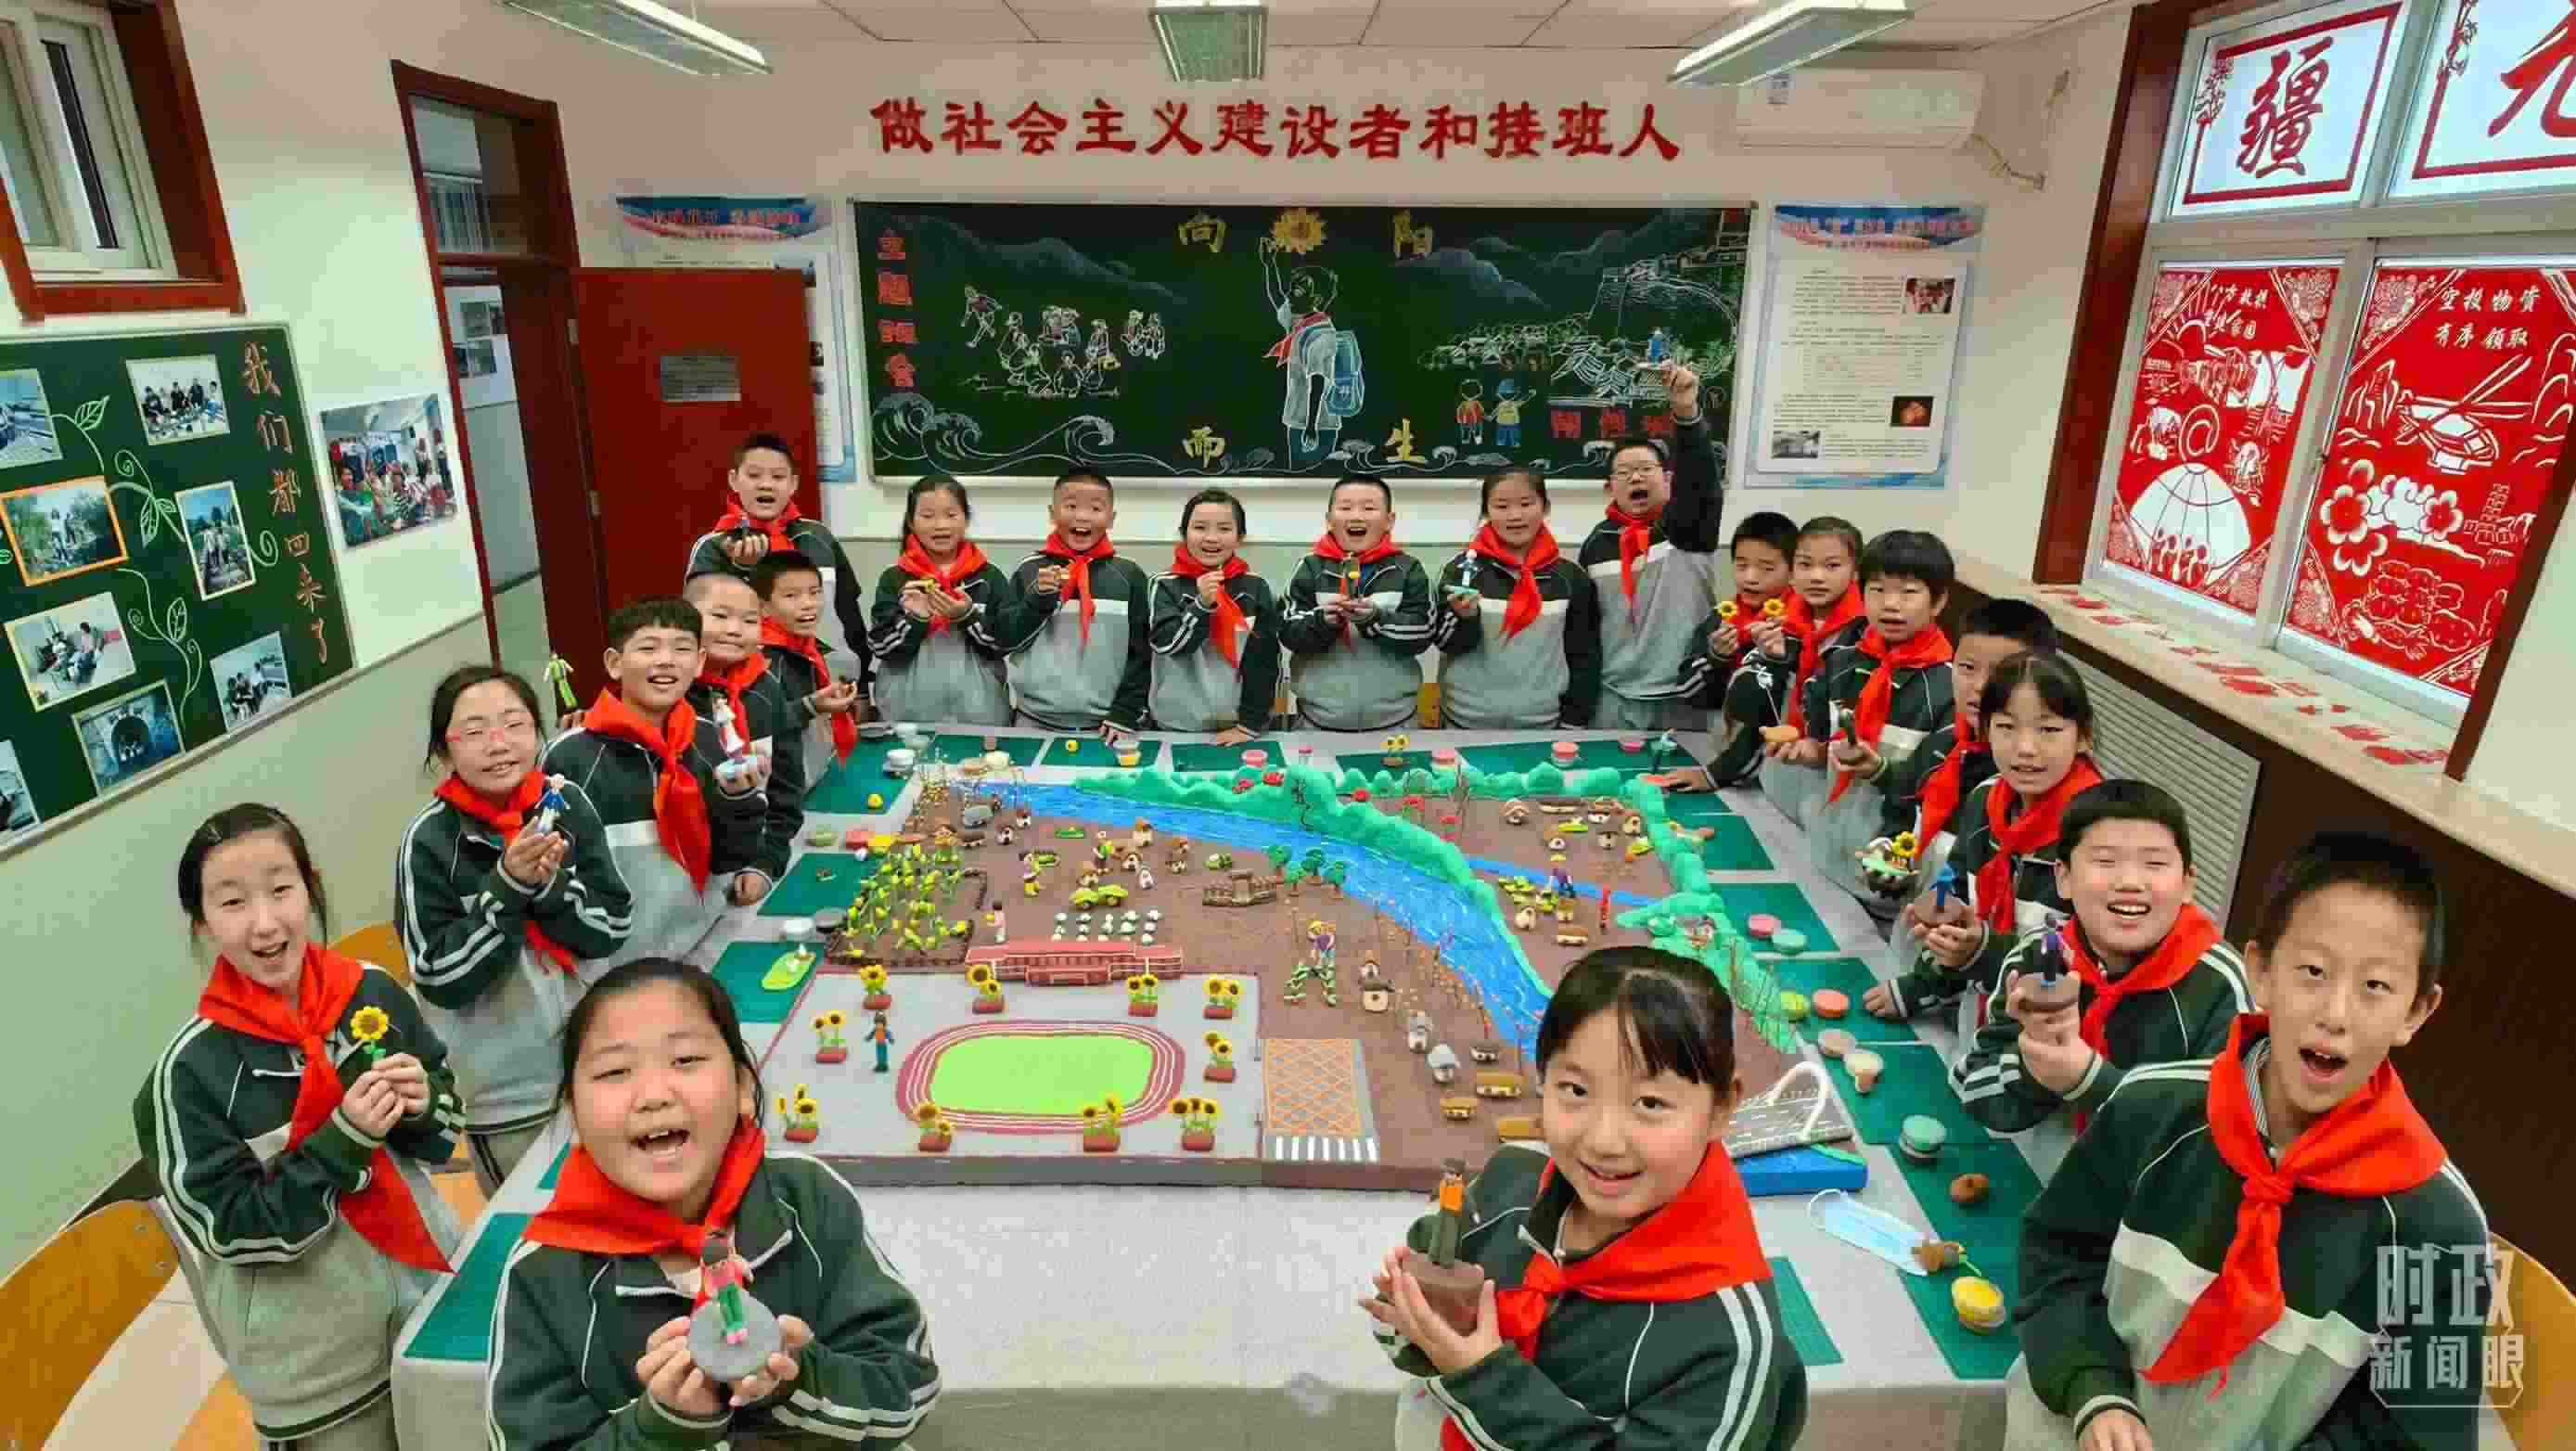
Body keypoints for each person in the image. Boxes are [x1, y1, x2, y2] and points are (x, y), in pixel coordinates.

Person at [2008, 832, 2483, 1451]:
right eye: (2312, 972)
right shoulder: (2149, 1109)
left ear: (2417, 1011)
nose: (2335, 1014)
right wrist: (2093, 1390)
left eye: (2375, 986)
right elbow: (2056, 1259)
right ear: (2260, 971)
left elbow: (2414, 1437)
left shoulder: (2442, 1226)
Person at [1363, 945, 1807, 1451]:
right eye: (1575, 1090)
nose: (1604, 1141)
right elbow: (1404, 1332)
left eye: (1650, 1102)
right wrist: (1412, 1323)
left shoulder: (1730, 1345)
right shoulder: (1507, 1186)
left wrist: (1480, 1378)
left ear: (1722, 1108)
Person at [487, 957, 942, 1448]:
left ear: (743, 1088)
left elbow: (909, 1391)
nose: (653, 1095)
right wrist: (659, 1428)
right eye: (615, 1071)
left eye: (685, 1060)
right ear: (574, 1116)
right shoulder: (543, 1273)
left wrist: (800, 1380)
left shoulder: (808, 1200)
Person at [137, 804, 463, 1450]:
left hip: (430, 1299)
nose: (265, 923)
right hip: (317, 1369)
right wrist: (342, 1141)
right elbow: (230, 1231)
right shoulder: (188, 1074)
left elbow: (445, 1125)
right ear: (202, 924)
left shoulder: (370, 992)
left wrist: (424, 1103)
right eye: (233, 903)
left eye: (281, 889)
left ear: (310, 889)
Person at [400, 665, 634, 1192]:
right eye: (474, 731)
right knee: (531, 1223)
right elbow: (437, 976)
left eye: (514, 724)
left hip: (598, 1058)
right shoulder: (429, 841)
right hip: (506, 1097)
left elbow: (613, 925)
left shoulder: (567, 803)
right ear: (444, 752)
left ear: (537, 731)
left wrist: (550, 890)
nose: (498, 744)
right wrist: (505, 887)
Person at [1945, 780, 2251, 1181]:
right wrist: (2036, 1063)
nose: (2130, 882)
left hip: (2153, 1210)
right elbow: (1973, 1088)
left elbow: (2223, 1138)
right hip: (2044, 1184)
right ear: (2063, 877)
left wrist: (2090, 1081)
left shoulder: (2222, 984)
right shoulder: (2038, 959)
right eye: (2105, 861)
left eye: (2154, 864)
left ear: (2187, 883)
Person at [1871, 651, 2100, 1034]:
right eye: (2007, 726)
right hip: (1980, 1018)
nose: (2026, 748)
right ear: (1985, 729)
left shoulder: (2099, 832)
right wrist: (1941, 938)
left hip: (2052, 1036)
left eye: (2048, 730)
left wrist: (1981, 950)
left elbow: (2082, 964)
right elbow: (1959, 894)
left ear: (2083, 736)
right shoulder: (1985, 801)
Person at [544, 597, 769, 969]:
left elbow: (728, 856)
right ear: (614, 664)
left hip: (705, 939)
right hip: (617, 964)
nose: (666, 661)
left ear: (699, 662)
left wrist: (739, 801)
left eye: (682, 649)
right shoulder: (569, 758)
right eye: (648, 648)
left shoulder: (709, 738)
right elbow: (555, 879)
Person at [1795, 530, 1956, 908]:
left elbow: (1935, 790)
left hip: (1892, 874)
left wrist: (1880, 770)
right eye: (1878, 590)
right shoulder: (1841, 661)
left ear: (1938, 601)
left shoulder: (1949, 687)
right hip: (1829, 853)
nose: (1891, 605)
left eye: (1908, 592)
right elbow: (1819, 740)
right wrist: (1806, 749)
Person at [1878, 597, 2060, 896]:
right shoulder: (1943, 741)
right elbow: (1900, 811)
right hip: (1916, 911)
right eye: (1967, 667)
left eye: (2001, 672)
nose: (1979, 686)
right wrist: (1889, 858)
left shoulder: (2031, 773)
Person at [1579, 363, 1723, 730]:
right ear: (1610, 487)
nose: (1636, 477)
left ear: (1668, 478)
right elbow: (1586, 630)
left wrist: (1686, 411)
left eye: (1646, 468)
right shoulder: (1596, 543)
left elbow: (1700, 481)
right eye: (1624, 472)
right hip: (1613, 698)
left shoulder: (1688, 527)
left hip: (1683, 697)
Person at [683, 431, 871, 706]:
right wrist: (742, 569)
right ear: (734, 480)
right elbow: (701, 626)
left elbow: (848, 614)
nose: (766, 485)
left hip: (825, 677)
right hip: (749, 686)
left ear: (793, 484)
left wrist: (861, 687)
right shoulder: (715, 546)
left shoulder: (818, 538)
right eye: (754, 475)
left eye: (778, 477)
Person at [1430, 467, 1601, 730]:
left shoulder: (1570, 578)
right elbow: (1446, 643)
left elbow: (1584, 656)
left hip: (1545, 724)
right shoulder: (1462, 571)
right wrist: (1464, 618)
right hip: (1464, 722)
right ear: (1486, 511)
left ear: (1545, 507)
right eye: (1501, 506)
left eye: (1526, 504)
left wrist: (1573, 721)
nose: (1515, 515)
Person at [988, 469, 1153, 736]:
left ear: (1111, 519)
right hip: (1033, 720)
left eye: (1095, 508)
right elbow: (1006, 640)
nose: (1082, 516)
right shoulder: (1029, 570)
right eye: (1071, 506)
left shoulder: (1129, 575)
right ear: (1052, 513)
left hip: (1110, 725)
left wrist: (1125, 712)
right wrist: (1038, 600)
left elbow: (1142, 654)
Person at [685, 571, 806, 906]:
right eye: (720, 616)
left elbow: (786, 786)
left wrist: (766, 860)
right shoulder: (668, 694)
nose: (735, 629)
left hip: (750, 866)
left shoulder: (767, 689)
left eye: (750, 620)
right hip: (682, 881)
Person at [1279, 475, 1434, 730]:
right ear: (1329, 520)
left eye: (1369, 508)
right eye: (1346, 507)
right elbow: (1287, 631)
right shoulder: (1309, 567)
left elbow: (1423, 632)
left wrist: (1374, 619)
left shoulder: (1409, 569)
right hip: (1317, 722)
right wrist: (1323, 622)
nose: (1357, 516)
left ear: (1389, 521)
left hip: (1397, 722)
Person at [1666, 510, 1801, 789]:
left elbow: (1769, 715)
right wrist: (1715, 659)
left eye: (1766, 568)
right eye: (1741, 565)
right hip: (1726, 757)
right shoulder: (1722, 617)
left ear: (1792, 571)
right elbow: (1688, 693)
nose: (1750, 578)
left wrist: (1714, 775)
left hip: (1777, 766)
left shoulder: (1795, 628)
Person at [866, 475, 1013, 727]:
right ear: (911, 522)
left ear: (966, 519)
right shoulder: (895, 578)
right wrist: (916, 619)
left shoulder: (988, 578)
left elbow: (1005, 643)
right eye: (927, 516)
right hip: (907, 720)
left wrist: (966, 616)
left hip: (981, 717)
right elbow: (881, 648)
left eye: (951, 514)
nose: (940, 525)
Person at [1752, 517, 1865, 822]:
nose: (1816, 576)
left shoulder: (1866, 633)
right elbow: (1762, 698)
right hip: (1783, 768)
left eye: (1832, 566)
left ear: (1856, 572)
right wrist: (1772, 660)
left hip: (1833, 779)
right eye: (1805, 564)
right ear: (1791, 571)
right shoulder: (1780, 621)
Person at [1149, 488, 1282, 741]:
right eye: (1200, 528)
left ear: (1240, 537)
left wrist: (1249, 725)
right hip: (1173, 725)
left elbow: (1265, 662)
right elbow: (1167, 645)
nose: (1211, 538)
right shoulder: (1164, 584)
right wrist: (1200, 606)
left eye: (1224, 529)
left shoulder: (1256, 587)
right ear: (1183, 533)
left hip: (1238, 727)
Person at [757, 553, 865, 790]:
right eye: (791, 596)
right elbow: (760, 724)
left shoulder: (807, 647)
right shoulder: (762, 660)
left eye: (815, 593)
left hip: (815, 771)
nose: (808, 603)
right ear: (763, 607)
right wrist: (812, 706)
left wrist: (833, 701)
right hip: (784, 787)